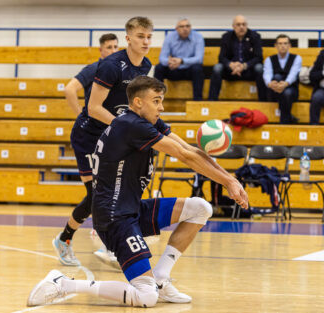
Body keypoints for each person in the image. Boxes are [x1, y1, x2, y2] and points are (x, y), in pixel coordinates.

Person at [27, 76, 249, 308]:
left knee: (200, 208)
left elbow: (188, 149)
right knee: (145, 297)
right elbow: (183, 156)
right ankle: (63, 283)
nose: (161, 107)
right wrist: (228, 183)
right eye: (156, 101)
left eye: (162, 100)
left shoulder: (146, 122)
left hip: (131, 209)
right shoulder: (132, 125)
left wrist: (230, 179)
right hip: (114, 219)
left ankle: (160, 280)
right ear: (138, 102)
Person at [52, 17, 153, 267]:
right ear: (128, 38)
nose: (146, 41)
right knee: (96, 194)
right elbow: (94, 108)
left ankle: (106, 243)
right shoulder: (110, 66)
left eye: (149, 36)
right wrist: (125, 128)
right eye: (141, 36)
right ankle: (74, 241)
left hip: (113, 133)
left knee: (117, 191)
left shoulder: (145, 65)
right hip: (89, 135)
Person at [208, 15, 265, 101]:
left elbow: (259, 57)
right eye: (238, 25)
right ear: (233, 26)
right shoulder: (226, 37)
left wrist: (244, 66)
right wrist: (231, 65)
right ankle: (212, 101)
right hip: (231, 71)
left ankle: (263, 101)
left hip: (248, 70)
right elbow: (221, 57)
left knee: (260, 68)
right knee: (217, 68)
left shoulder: (255, 36)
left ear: (247, 25)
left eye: (244, 24)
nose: (241, 27)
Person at [153, 17, 204, 100]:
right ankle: (156, 99)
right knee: (159, 68)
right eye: (182, 26)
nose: (185, 29)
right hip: (173, 69)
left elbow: (199, 59)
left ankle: (197, 101)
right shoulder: (170, 37)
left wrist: (182, 61)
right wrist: (170, 62)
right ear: (176, 29)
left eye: (187, 26)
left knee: (198, 68)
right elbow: (162, 58)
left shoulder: (198, 37)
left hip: (189, 70)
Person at [263, 34, 302, 124]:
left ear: (289, 45)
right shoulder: (269, 59)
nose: (282, 46)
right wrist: (269, 83)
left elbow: (293, 74)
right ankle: (288, 117)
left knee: (287, 93)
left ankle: (285, 120)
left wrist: (285, 84)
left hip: (291, 89)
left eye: (285, 43)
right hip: (274, 90)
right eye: (280, 43)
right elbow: (267, 74)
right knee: (276, 77)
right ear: (275, 46)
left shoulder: (297, 58)